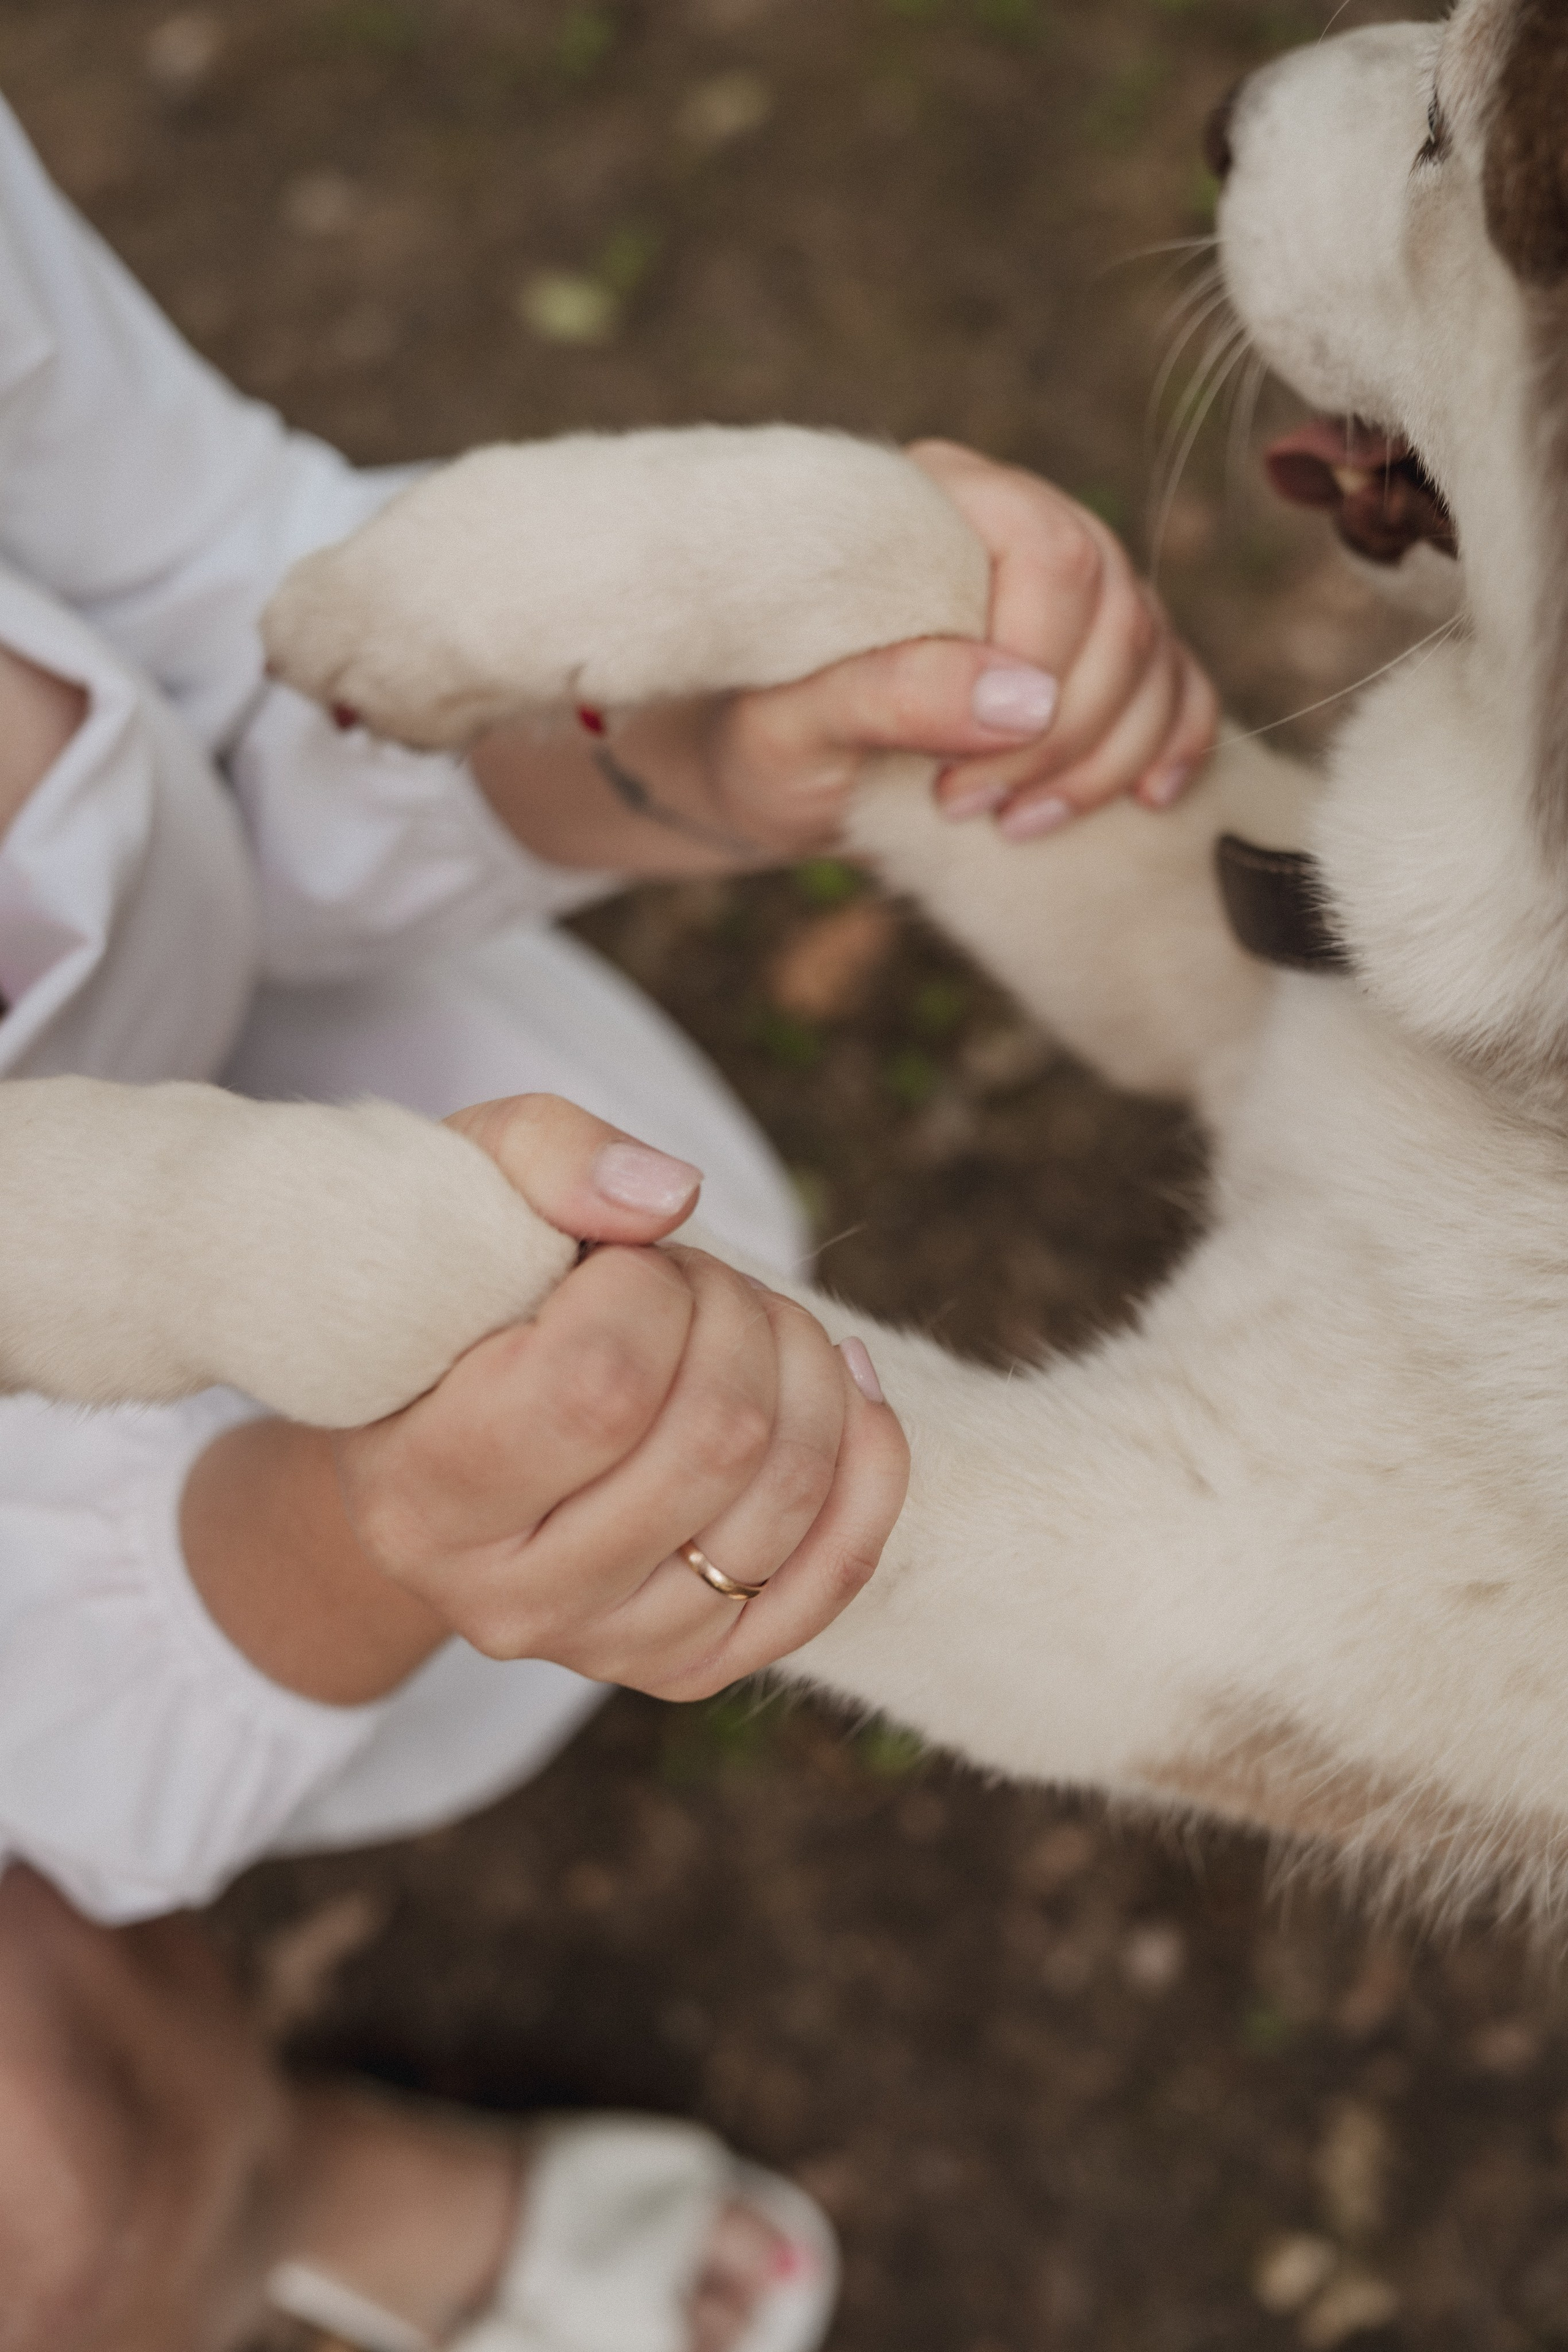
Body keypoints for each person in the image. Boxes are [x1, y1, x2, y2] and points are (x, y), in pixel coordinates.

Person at [0, 86, 1218, 2352]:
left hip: (273, 1081)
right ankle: (256, 2193)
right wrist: (359, 1532)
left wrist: (684, 740)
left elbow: (215, 608)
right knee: (67, 2202)